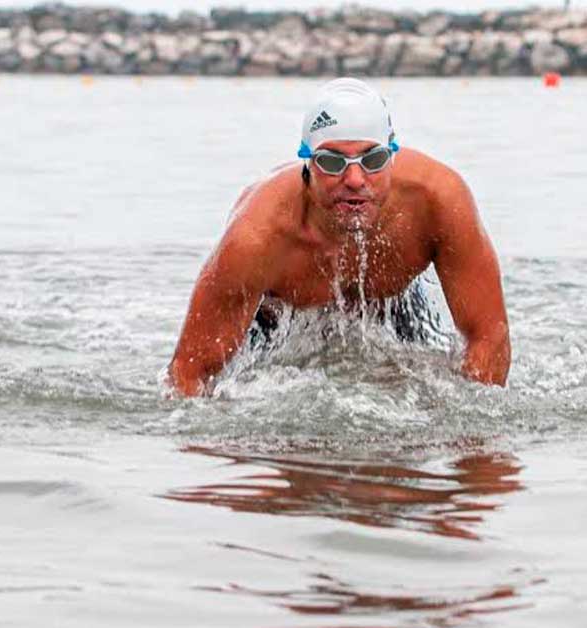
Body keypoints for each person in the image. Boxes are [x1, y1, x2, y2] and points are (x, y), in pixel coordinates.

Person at [167, 78, 510, 397]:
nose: (355, 179)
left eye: (372, 159)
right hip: (277, 322)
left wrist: (473, 443)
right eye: (332, 162)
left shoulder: (439, 200)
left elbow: (488, 339)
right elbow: (187, 374)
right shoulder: (257, 237)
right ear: (308, 162)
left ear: (391, 154)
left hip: (390, 308)